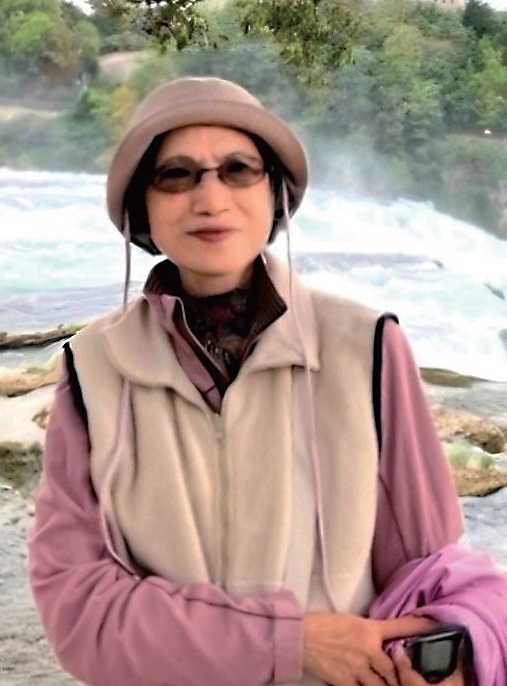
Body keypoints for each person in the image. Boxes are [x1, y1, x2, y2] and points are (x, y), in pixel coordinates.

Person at [28, 76, 507, 686]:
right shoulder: (93, 368)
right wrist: (290, 643)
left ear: (275, 191)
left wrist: (456, 650)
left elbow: (432, 569)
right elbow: (77, 604)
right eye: (176, 175)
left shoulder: (366, 345)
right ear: (140, 207)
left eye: (238, 169)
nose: (210, 198)